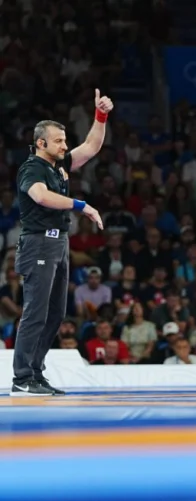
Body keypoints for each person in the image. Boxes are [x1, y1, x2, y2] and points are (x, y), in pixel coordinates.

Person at [10, 89, 113, 397]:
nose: (65, 146)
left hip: (59, 244)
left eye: (65, 141)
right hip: (38, 244)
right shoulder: (32, 168)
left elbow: (92, 146)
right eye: (58, 141)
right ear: (41, 143)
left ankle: (36, 374)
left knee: (55, 315)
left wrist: (101, 116)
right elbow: (40, 195)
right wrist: (80, 205)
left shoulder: (59, 164)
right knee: (36, 312)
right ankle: (21, 378)